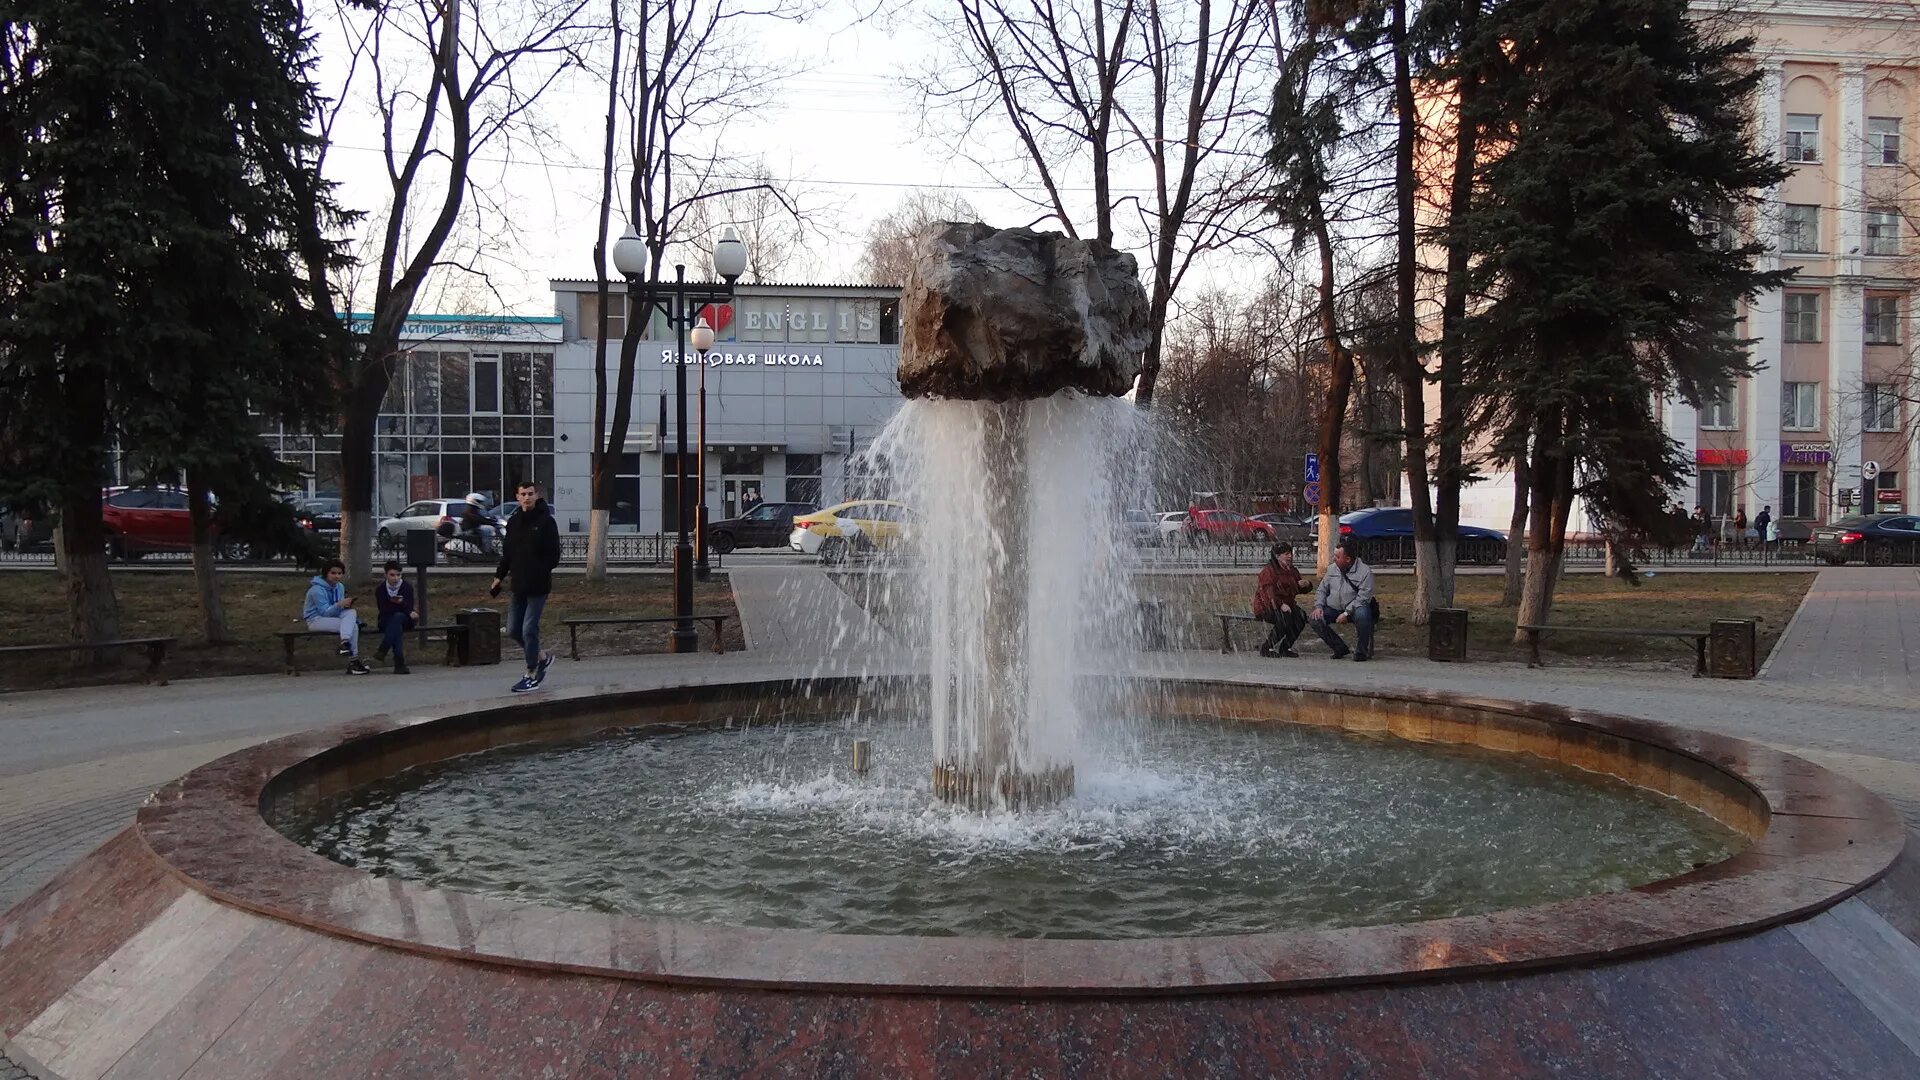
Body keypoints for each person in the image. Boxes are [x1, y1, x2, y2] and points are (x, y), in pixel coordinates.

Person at [492, 480, 562, 693]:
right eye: (523, 494)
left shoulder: (546, 522)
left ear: (536, 495)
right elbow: (508, 554)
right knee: (513, 630)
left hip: (538, 586)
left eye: (531, 493)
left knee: (529, 629)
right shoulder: (514, 522)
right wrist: (498, 577)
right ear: (517, 497)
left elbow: (554, 556)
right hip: (518, 585)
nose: (527, 497)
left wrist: (538, 570)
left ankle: (531, 674)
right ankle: (541, 657)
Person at [1309, 543, 1377, 661]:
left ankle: (1361, 652)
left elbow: (1363, 597)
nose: (1334, 559)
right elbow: (1322, 590)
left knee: (1363, 616)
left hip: (1355, 608)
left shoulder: (1364, 572)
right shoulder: (1332, 569)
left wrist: (1346, 613)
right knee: (1315, 619)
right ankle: (1339, 647)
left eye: (1337, 557)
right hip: (1333, 607)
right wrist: (1319, 606)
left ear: (1348, 559)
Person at [303, 559, 370, 675]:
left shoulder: (340, 587)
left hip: (333, 616)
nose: (336, 576)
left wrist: (344, 605)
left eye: (339, 573)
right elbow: (324, 612)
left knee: (351, 613)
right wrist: (339, 605)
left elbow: (337, 611)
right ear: (326, 574)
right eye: (333, 573)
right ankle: (353, 661)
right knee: (352, 626)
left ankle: (345, 644)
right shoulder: (316, 590)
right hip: (315, 620)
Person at [1252, 542, 1309, 658]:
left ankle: (1285, 648)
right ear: (1277, 556)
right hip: (1266, 606)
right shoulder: (1268, 571)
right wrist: (1280, 605)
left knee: (1301, 617)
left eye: (1290, 553)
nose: (1290, 557)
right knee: (1284, 619)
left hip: (1287, 605)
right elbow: (1267, 594)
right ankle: (1267, 647)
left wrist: (1306, 585)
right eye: (1286, 554)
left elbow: (1296, 589)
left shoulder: (1291, 570)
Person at [373, 559, 419, 674]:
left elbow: (409, 607)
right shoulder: (380, 590)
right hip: (386, 619)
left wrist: (401, 604)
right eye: (392, 575)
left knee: (398, 617)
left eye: (398, 575)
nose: (396, 578)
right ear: (385, 575)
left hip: (405, 619)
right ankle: (399, 664)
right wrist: (395, 603)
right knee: (395, 627)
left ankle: (383, 648)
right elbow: (383, 609)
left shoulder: (406, 587)